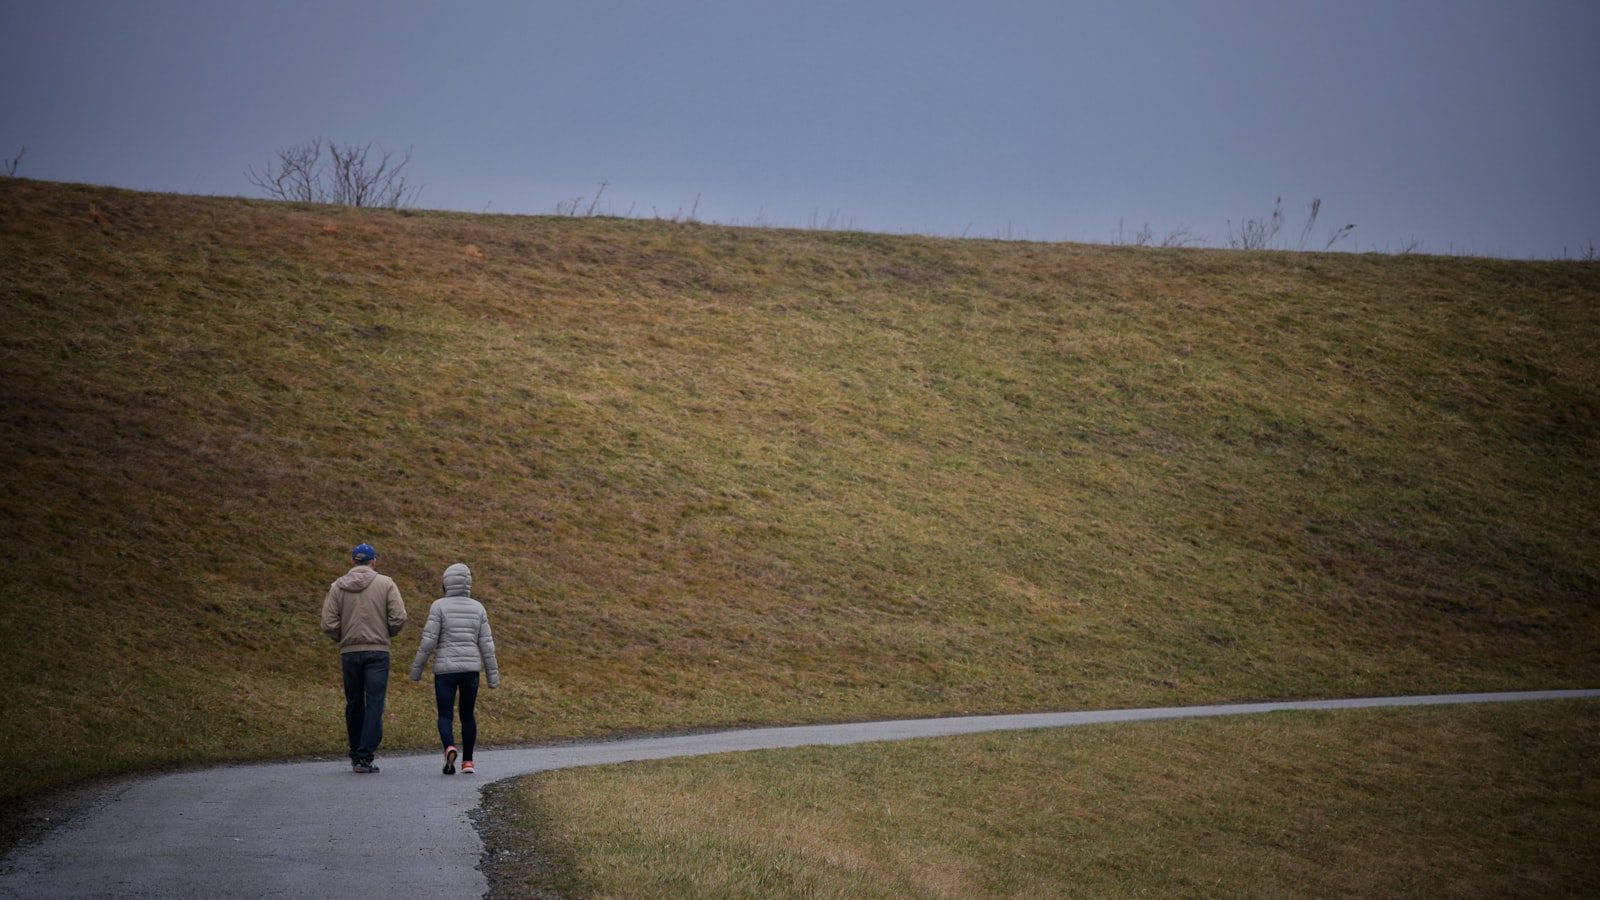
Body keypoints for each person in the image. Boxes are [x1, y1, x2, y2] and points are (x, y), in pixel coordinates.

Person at [320, 543, 407, 774]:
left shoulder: (337, 587)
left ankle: (355, 751)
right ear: (373, 562)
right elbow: (399, 617)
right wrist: (386, 633)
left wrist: (343, 636)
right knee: (374, 703)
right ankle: (365, 755)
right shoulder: (386, 583)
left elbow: (328, 623)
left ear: (353, 562)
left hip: (349, 652)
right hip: (378, 652)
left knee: (354, 702)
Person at [410, 563, 500, 775]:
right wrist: (493, 677)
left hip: (445, 670)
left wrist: (417, 670)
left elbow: (428, 641)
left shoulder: (439, 606)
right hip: (471, 670)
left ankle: (449, 746)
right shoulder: (478, 608)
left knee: (445, 714)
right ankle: (468, 762)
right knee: (467, 714)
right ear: (468, 583)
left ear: (446, 582)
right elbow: (487, 645)